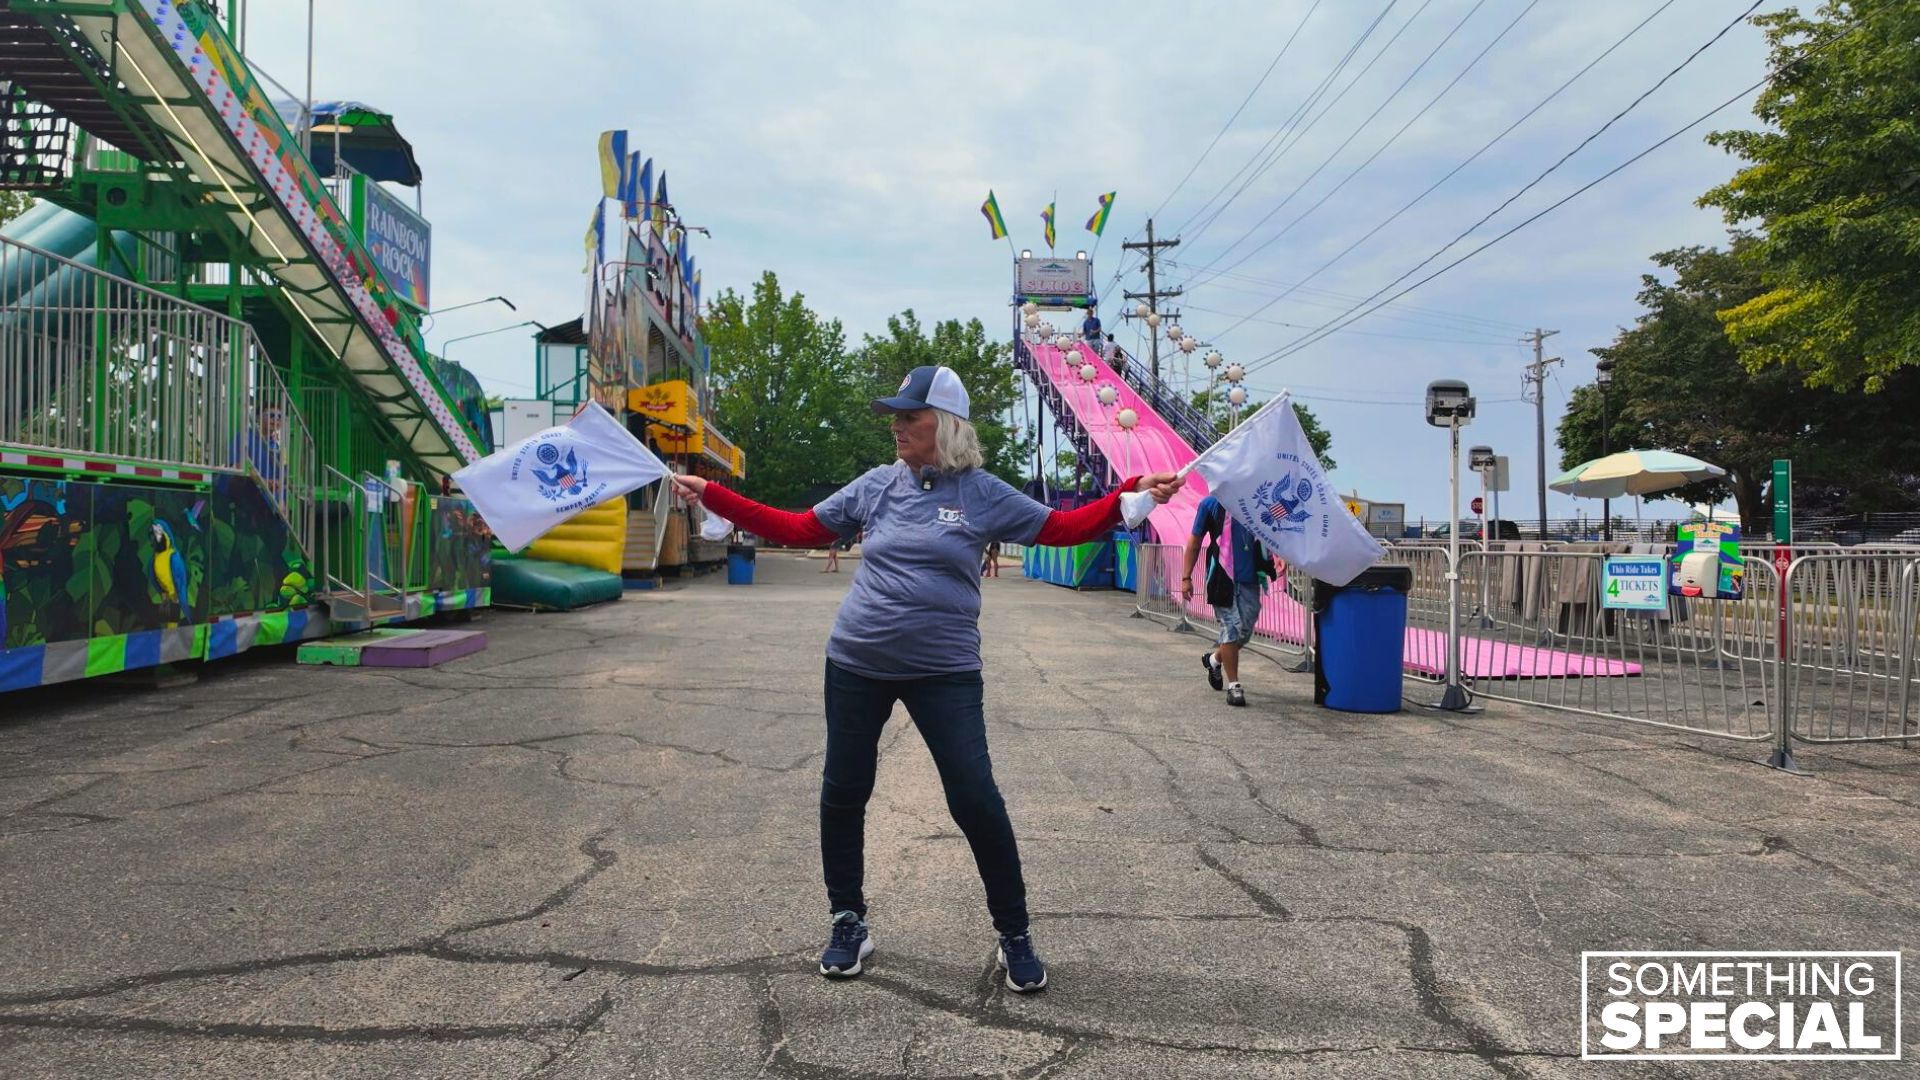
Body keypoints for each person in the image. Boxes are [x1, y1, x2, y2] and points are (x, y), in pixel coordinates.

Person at [674, 364, 1181, 993]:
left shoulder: (985, 494)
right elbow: (799, 527)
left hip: (945, 671)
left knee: (975, 798)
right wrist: (713, 494)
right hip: (857, 662)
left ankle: (1014, 933)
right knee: (843, 791)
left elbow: (1062, 528)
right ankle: (848, 921)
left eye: (910, 415)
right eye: (896, 415)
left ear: (944, 425)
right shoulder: (876, 486)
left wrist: (1132, 488)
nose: (897, 424)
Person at [1180, 494, 1275, 708]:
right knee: (1230, 627)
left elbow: (1271, 533)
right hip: (1221, 577)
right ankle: (1234, 686)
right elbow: (1195, 541)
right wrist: (1186, 578)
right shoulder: (1211, 504)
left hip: (1250, 578)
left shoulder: (1255, 500)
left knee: (1245, 631)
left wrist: (1279, 556)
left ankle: (1213, 660)